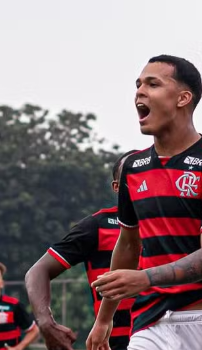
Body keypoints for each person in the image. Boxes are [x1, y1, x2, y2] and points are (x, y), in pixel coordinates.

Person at [85, 55, 202, 350]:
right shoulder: (133, 169)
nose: (139, 91)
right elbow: (127, 245)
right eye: (137, 85)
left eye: (153, 83)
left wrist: (144, 278)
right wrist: (104, 319)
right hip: (151, 323)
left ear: (183, 98)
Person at [24, 150, 138, 350]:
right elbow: (38, 271)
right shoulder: (98, 225)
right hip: (114, 343)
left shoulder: (177, 222)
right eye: (129, 176)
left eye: (143, 174)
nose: (138, 182)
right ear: (116, 187)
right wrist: (45, 322)